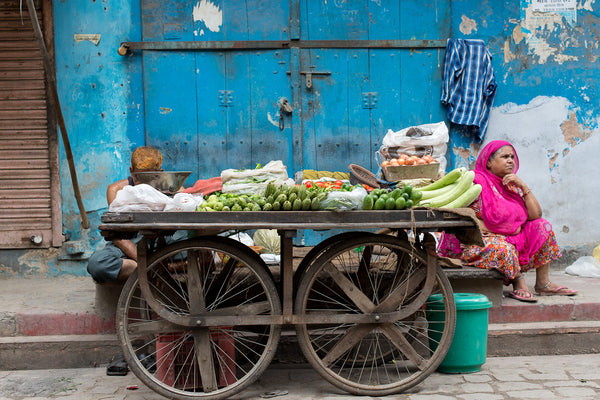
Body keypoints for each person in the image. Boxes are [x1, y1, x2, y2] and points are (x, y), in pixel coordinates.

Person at [441, 140, 576, 303]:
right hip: (477, 240)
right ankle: (518, 281)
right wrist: (489, 230)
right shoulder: (475, 182)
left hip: (511, 238)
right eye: (505, 156)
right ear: (489, 162)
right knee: (504, 249)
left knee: (542, 226)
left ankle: (542, 283)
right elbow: (458, 213)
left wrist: (523, 186)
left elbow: (535, 215)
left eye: (512, 157)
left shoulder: (511, 185)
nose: (510, 160)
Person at [87, 146, 186, 283]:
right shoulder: (116, 191)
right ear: (131, 171)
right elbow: (117, 236)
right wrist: (144, 262)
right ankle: (155, 270)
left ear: (160, 173)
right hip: (129, 243)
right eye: (138, 176)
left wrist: (179, 196)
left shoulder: (171, 187)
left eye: (149, 177)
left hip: (163, 243)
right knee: (97, 264)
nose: (142, 183)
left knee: (202, 248)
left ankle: (155, 269)